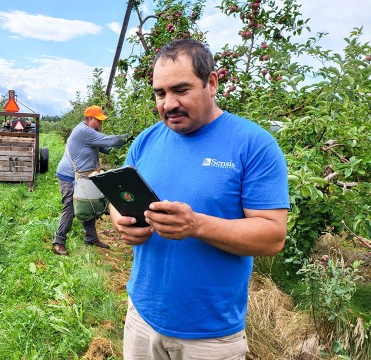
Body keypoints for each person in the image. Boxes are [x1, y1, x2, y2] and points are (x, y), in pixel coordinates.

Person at [110, 39, 290, 359]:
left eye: (181, 90)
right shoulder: (146, 140)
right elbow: (119, 194)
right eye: (160, 93)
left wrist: (195, 225)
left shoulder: (253, 144)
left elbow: (272, 237)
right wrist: (120, 220)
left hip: (210, 337)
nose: (168, 104)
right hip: (141, 317)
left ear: (211, 83)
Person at [52, 105, 129, 256]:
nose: (101, 124)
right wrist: (129, 136)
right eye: (99, 121)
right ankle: (58, 242)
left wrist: (115, 146)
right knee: (70, 207)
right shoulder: (84, 131)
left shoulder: (90, 132)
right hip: (69, 176)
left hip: (83, 176)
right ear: (90, 119)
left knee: (90, 204)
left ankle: (90, 238)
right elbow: (110, 142)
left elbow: (106, 148)